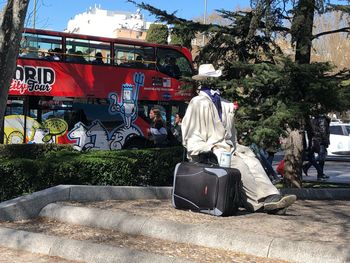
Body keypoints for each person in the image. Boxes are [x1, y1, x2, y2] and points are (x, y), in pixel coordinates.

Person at [181, 64, 297, 215]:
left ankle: (270, 195)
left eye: (213, 78)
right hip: (210, 150)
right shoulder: (197, 103)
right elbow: (191, 132)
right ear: (203, 80)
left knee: (253, 162)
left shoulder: (224, 103)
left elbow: (231, 133)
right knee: (240, 165)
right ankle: (258, 202)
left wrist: (235, 147)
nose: (212, 82)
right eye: (209, 79)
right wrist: (205, 148)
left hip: (228, 148)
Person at [302, 115, 331, 180]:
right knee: (321, 158)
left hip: (314, 141)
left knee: (315, 157)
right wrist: (326, 142)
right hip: (320, 141)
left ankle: (310, 168)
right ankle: (320, 174)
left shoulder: (313, 120)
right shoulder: (322, 120)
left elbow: (310, 132)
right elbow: (323, 131)